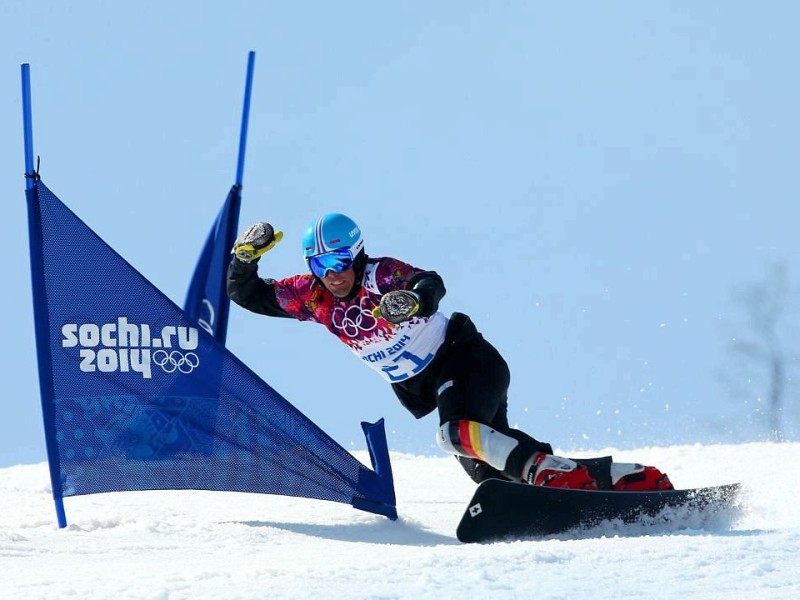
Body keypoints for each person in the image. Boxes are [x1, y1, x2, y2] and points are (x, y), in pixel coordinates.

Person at [227, 213, 673, 492]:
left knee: (454, 434)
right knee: (494, 479)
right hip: (437, 388)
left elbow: (430, 282)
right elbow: (246, 294)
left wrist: (416, 301)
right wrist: (244, 257)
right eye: (322, 266)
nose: (334, 275)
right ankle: (607, 479)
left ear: (357, 255)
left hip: (465, 361)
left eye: (341, 262)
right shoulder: (312, 296)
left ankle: (549, 472)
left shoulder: (381, 275)